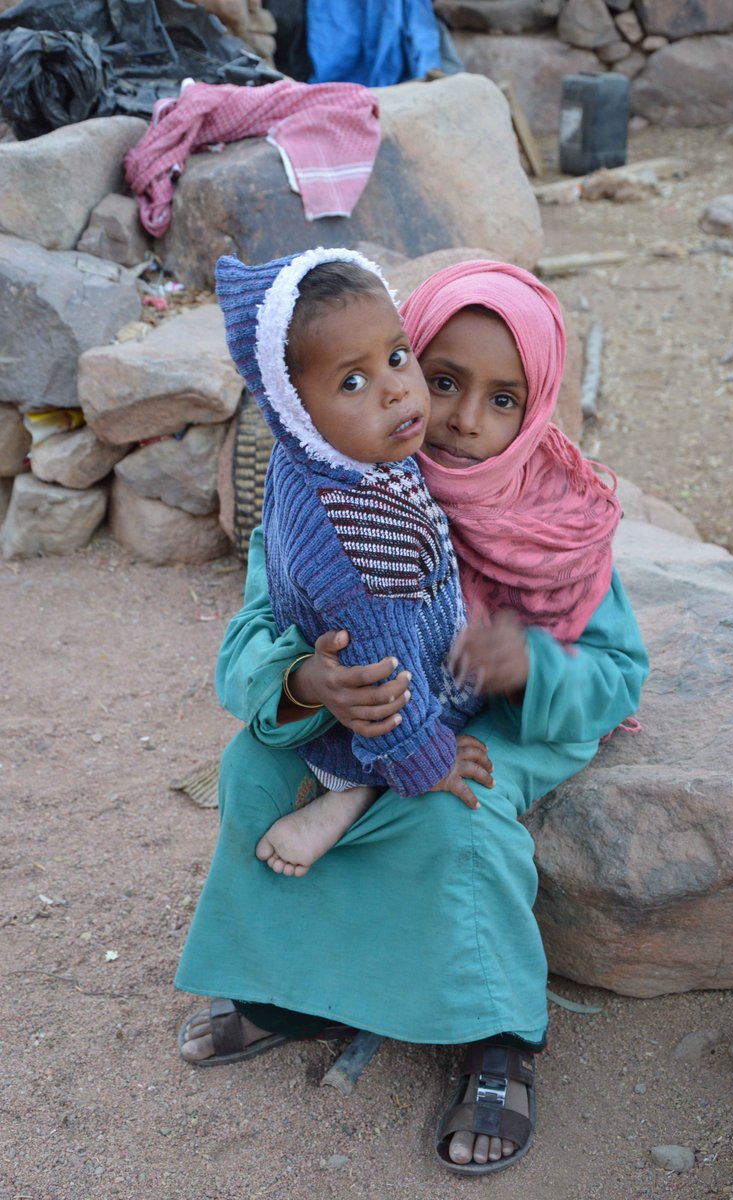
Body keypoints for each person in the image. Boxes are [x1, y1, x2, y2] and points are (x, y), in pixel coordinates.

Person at [175, 259, 649, 1176]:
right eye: (442, 381)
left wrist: (529, 662)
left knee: (450, 804)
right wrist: (304, 683)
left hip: (503, 720)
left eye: (504, 399)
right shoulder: (330, 489)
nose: (466, 420)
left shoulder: (554, 519)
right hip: (369, 716)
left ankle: (496, 1035)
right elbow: (248, 640)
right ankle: (292, 995)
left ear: (538, 405)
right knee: (257, 772)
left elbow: (619, 676)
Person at [215, 247, 486, 878]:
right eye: (353, 382)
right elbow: (383, 677)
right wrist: (427, 759)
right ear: (294, 407)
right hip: (385, 720)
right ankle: (355, 796)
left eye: (396, 357)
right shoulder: (361, 531)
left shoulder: (321, 459)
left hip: (361, 694)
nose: (395, 389)